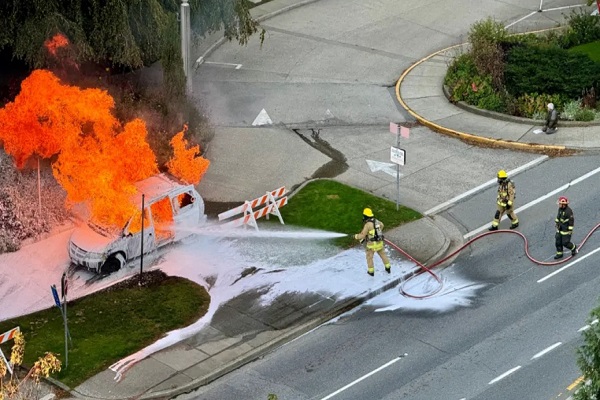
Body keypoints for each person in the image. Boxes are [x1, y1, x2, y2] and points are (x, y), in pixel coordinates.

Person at [354, 208, 391, 276]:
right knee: (383, 255)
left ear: (365, 216)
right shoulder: (377, 221)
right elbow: (382, 225)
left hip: (371, 246)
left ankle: (371, 272)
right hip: (379, 243)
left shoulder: (368, 225)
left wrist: (356, 236)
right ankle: (388, 268)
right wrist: (377, 233)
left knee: (369, 257)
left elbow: (362, 235)